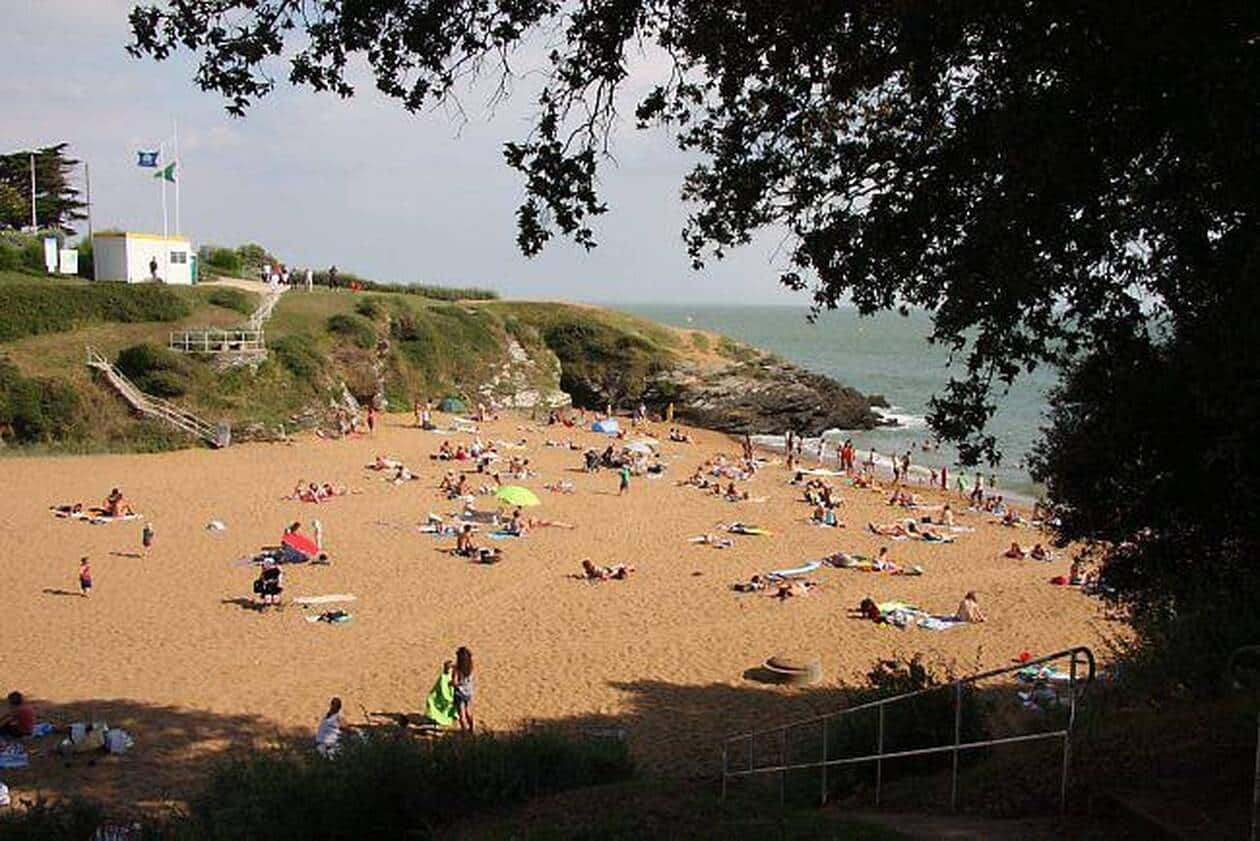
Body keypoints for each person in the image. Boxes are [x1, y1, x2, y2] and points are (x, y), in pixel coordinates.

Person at [453, 646, 475, 732]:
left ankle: (464, 731)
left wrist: (451, 684)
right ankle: (471, 728)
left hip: (459, 693)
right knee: (468, 711)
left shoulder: (457, 669)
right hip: (469, 692)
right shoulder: (470, 667)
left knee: (461, 714)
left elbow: (455, 682)